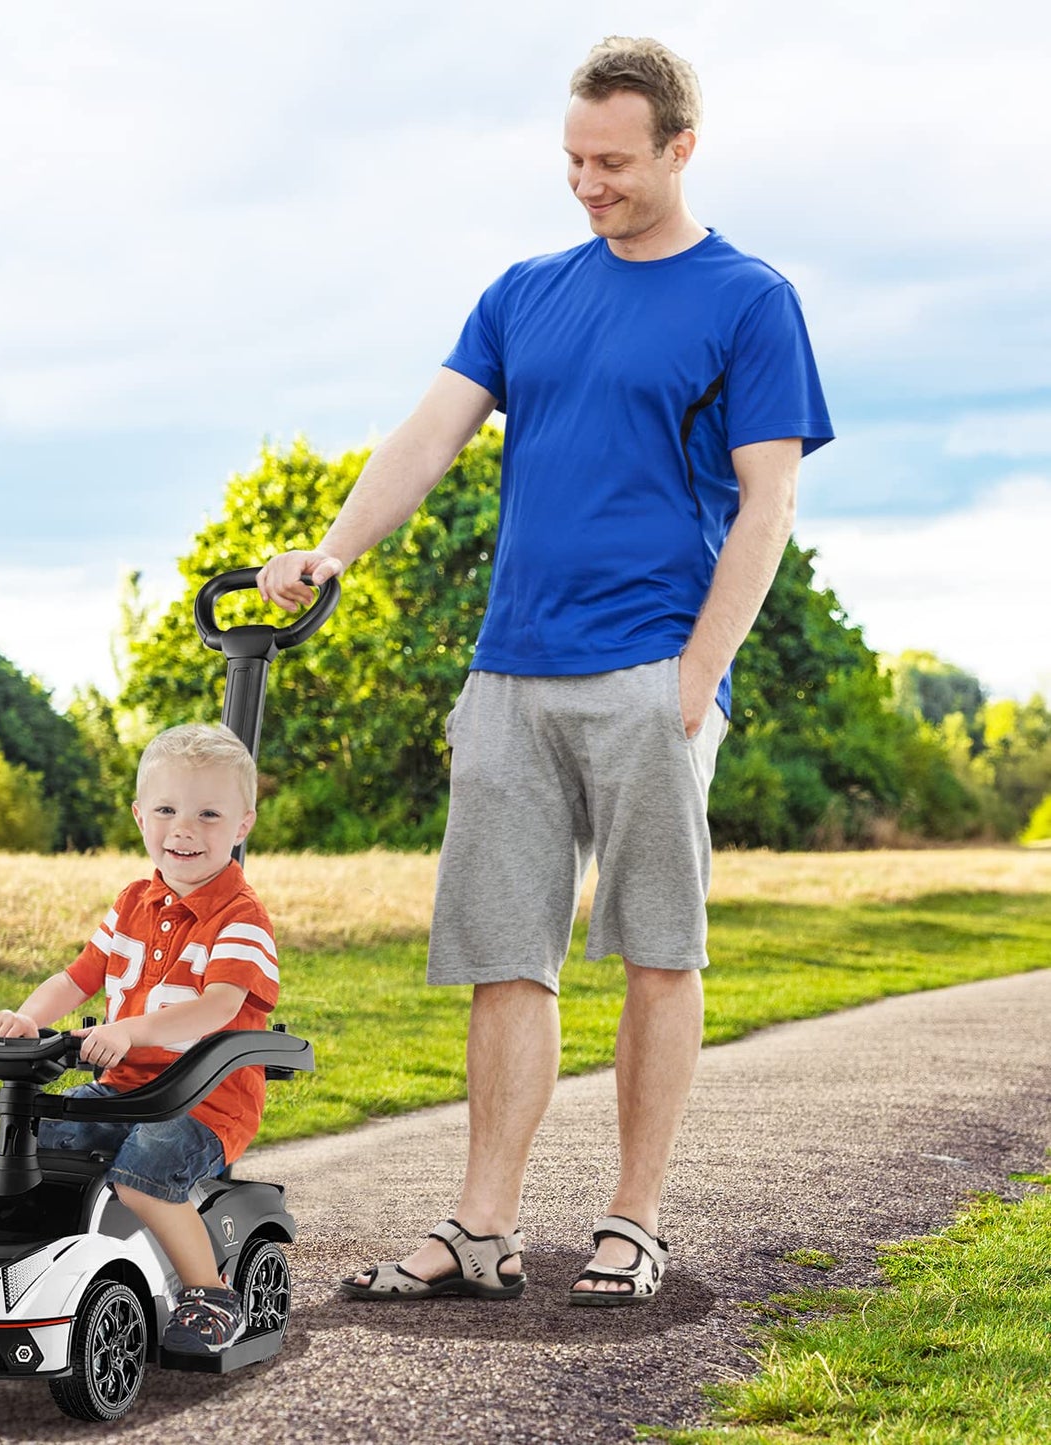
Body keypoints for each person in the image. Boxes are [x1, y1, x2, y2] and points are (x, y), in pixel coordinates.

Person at [258, 35, 833, 1306]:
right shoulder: (524, 291)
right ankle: (479, 1229)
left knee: (655, 950)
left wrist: (698, 675)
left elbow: (767, 502)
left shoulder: (747, 298)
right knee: (502, 954)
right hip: (510, 671)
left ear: (679, 146)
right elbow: (428, 434)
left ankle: (630, 1219)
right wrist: (334, 549)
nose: (587, 182)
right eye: (572, 159)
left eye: (613, 161)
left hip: (650, 671)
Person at [0, 722, 279, 1351]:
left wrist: (127, 1029)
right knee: (50, 1142)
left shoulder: (242, 917)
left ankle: (212, 1293)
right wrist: (28, 1017)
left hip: (207, 1103)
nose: (185, 829)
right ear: (139, 814)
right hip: (126, 1090)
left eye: (208, 814)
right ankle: (43, 1274)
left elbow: (216, 1007)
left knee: (147, 1168)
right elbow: (78, 977)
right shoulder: (131, 903)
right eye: (168, 809)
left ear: (242, 825)